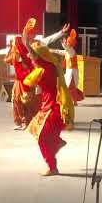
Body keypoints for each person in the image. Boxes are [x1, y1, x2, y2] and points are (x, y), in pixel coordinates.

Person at [23, 42, 75, 176]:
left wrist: (26, 42)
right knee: (39, 133)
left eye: (33, 56)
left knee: (42, 138)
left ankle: (52, 166)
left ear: (40, 57)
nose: (30, 58)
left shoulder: (47, 68)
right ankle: (57, 142)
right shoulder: (47, 68)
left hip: (54, 109)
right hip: (48, 107)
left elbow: (35, 58)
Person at [4, 37, 38, 130]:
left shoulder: (20, 54)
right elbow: (7, 60)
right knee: (18, 101)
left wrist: (11, 49)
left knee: (24, 102)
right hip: (22, 81)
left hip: (24, 82)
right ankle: (22, 122)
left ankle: (26, 122)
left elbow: (7, 60)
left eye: (13, 44)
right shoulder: (19, 54)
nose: (12, 46)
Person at [49, 29, 85, 105]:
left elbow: (66, 48)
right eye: (67, 42)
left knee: (71, 87)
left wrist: (64, 44)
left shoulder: (71, 51)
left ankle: (73, 101)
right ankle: (71, 101)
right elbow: (59, 51)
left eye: (68, 42)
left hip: (72, 72)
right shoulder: (68, 51)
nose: (67, 43)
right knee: (69, 87)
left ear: (70, 43)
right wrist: (50, 50)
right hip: (69, 71)